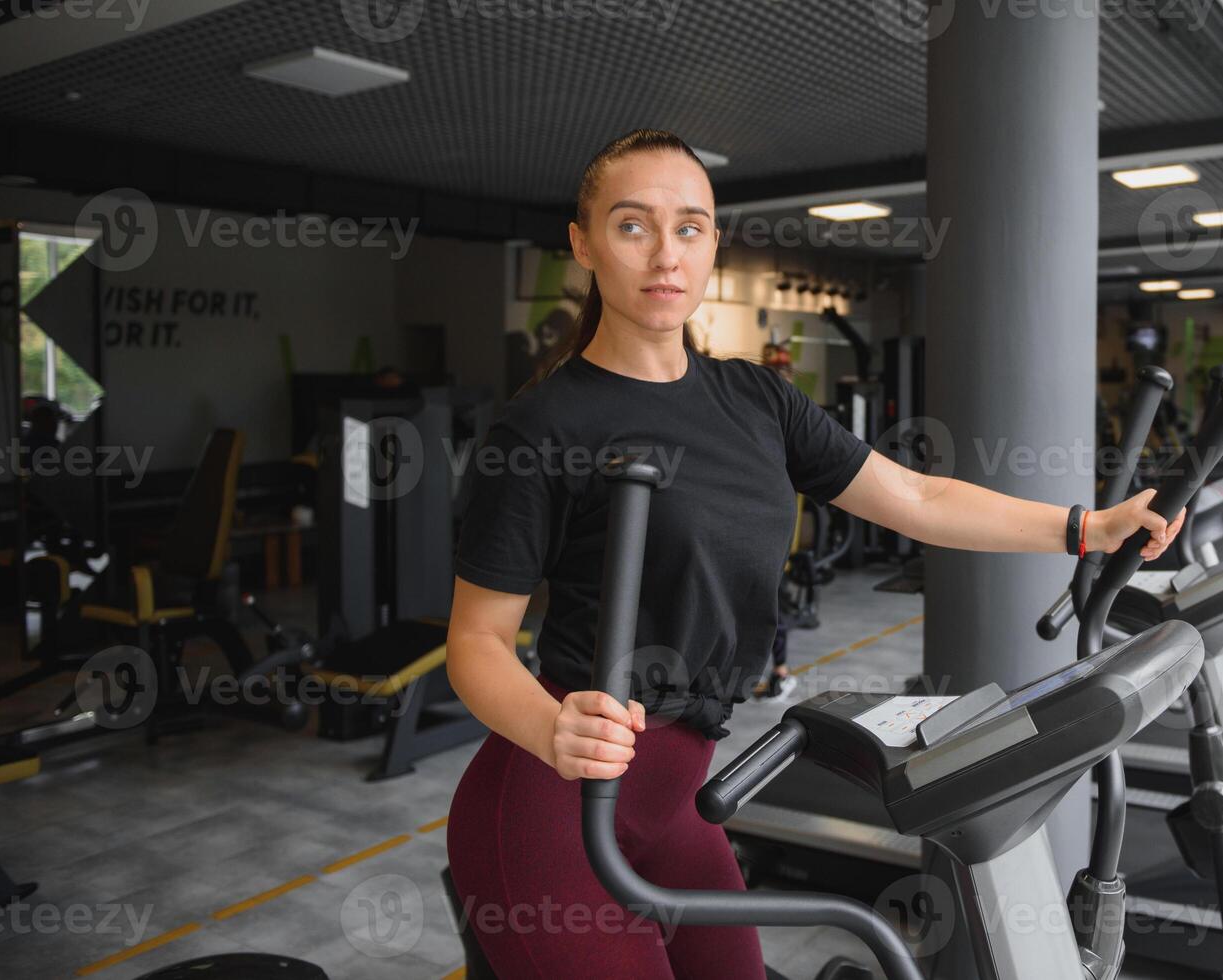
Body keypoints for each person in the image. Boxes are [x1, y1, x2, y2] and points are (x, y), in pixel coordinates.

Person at [444, 129, 1184, 979]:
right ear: (583, 244)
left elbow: (918, 498)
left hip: (677, 789)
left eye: (689, 227)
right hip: (558, 794)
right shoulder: (544, 426)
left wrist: (1085, 528)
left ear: (714, 241)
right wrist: (550, 728)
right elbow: (476, 644)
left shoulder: (755, 398)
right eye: (632, 226)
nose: (664, 254)